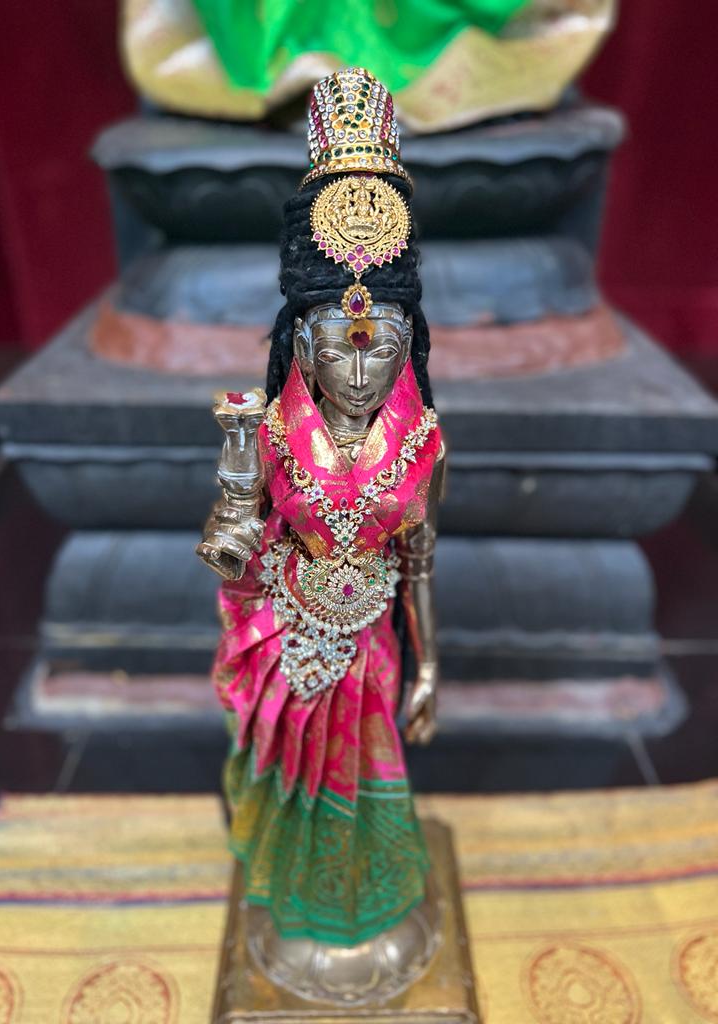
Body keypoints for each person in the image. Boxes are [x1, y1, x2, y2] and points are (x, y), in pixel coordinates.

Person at [199, 68, 444, 951]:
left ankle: (362, 903)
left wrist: (429, 664)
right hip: (289, 635)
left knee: (368, 774)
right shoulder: (269, 432)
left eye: (382, 348)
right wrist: (234, 508)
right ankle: (298, 898)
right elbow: (232, 541)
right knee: (290, 773)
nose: (360, 373)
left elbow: (420, 561)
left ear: (409, 346)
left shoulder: (424, 443)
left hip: (373, 646)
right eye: (338, 349)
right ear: (299, 345)